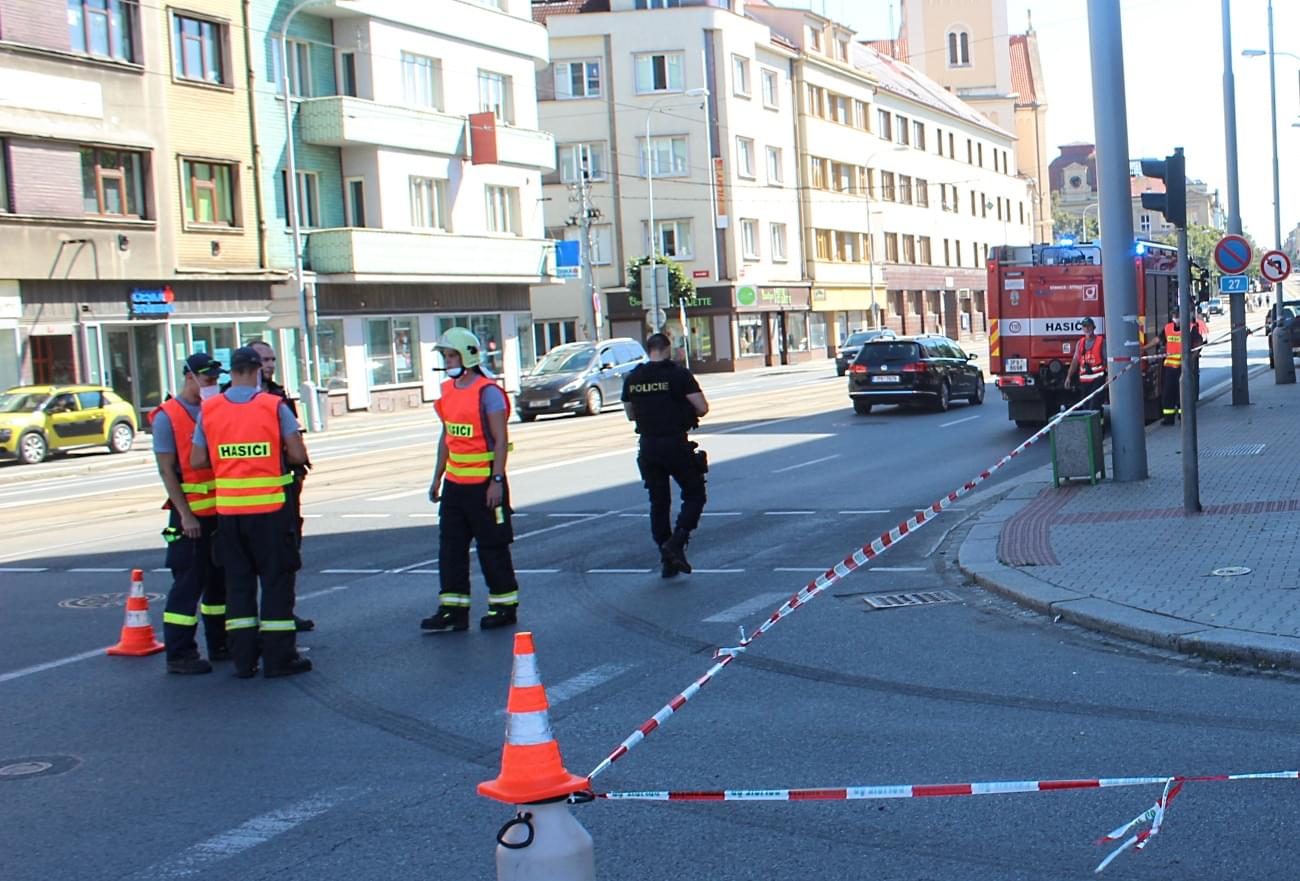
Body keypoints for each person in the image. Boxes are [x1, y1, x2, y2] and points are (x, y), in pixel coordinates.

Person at [191, 347, 312, 679]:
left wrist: (230, 457)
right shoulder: (273, 406)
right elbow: (297, 454)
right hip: (270, 512)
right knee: (276, 583)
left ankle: (244, 660)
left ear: (232, 372)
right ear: (257, 371)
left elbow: (198, 460)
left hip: (230, 514)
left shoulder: (210, 409)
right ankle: (279, 658)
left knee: (238, 586)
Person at [421, 328, 520, 633]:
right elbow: (446, 437)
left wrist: (497, 480)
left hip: (484, 486)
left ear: (468, 356)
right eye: (445, 356)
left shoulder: (488, 392)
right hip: (455, 487)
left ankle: (503, 607)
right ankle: (453, 611)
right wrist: (437, 476)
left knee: (492, 548)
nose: (447, 361)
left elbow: (500, 441)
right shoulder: (447, 392)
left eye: (451, 355)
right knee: (450, 549)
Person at [151, 353, 228, 675]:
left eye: (216, 380)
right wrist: (185, 515)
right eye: (208, 380)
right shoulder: (167, 416)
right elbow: (167, 471)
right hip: (191, 517)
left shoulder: (217, 408)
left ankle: (221, 643)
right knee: (188, 585)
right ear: (190, 377)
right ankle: (180, 654)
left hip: (220, 512)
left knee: (218, 585)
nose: (213, 385)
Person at [622, 332, 709, 578]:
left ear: (648, 350)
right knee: (694, 494)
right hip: (674, 443)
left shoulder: (633, 378)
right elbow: (702, 407)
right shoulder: (678, 375)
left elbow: (630, 414)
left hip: (648, 446)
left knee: (659, 503)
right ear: (668, 349)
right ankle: (677, 541)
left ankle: (666, 559)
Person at [247, 339, 314, 633]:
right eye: (264, 360)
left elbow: (294, 438)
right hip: (248, 493)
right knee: (247, 563)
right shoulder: (230, 400)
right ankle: (252, 620)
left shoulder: (278, 395)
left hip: (283, 490)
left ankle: (284, 612)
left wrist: (298, 472)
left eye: (272, 359)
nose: (270, 365)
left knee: (286, 555)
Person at [1065, 317, 1107, 407]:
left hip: (1098, 380)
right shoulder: (1080, 343)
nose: (1087, 328)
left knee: (1094, 405)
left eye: (1089, 326)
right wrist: (1068, 377)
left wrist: (1108, 376)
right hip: (1084, 382)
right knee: (1086, 407)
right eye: (1084, 326)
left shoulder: (1101, 342)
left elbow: (1107, 361)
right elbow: (1075, 361)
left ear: (1093, 327)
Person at [1160, 309, 1185, 425]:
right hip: (1170, 368)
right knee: (1168, 393)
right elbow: (1159, 339)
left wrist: (1190, 359)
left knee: (1181, 393)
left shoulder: (1188, 328)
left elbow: (1197, 342)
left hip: (1182, 368)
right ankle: (1168, 419)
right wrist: (1144, 348)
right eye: (1174, 314)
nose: (1175, 317)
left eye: (1177, 314)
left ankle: (1183, 417)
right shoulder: (1168, 328)